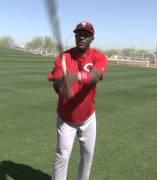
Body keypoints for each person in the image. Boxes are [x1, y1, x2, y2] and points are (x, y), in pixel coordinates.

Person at [48, 21, 108, 180]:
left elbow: (96, 76)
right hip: (66, 117)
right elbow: (56, 81)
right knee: (62, 156)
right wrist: (62, 87)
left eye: (86, 34)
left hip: (88, 117)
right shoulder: (63, 57)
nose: (81, 37)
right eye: (78, 34)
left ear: (92, 38)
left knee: (87, 156)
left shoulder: (98, 56)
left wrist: (76, 76)